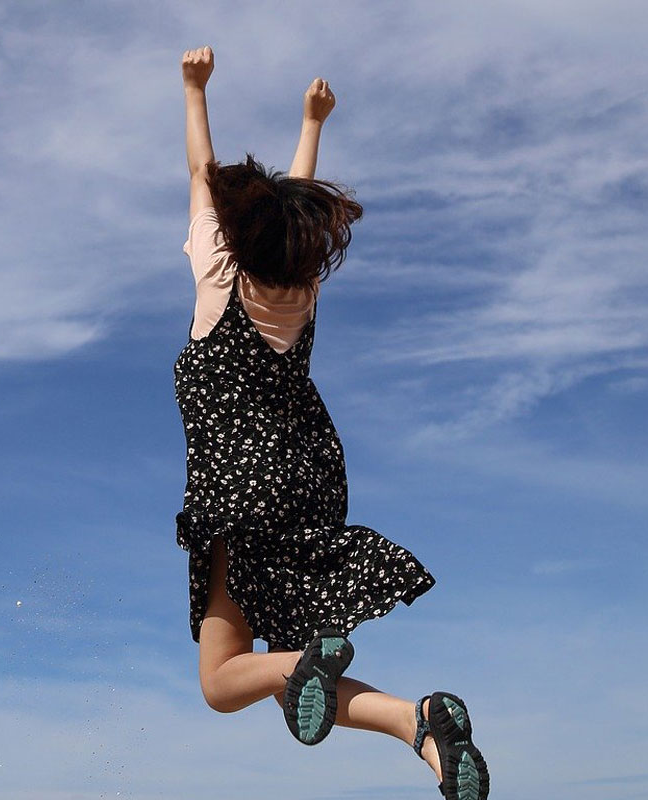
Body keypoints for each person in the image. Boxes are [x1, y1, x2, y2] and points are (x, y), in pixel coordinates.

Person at [172, 46, 490, 799]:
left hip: (239, 494)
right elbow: (297, 198)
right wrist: (313, 122)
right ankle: (422, 727)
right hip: (308, 487)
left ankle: (305, 662)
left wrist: (193, 91)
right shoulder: (301, 293)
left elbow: (199, 172)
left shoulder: (221, 280)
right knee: (291, 666)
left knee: (222, 682)